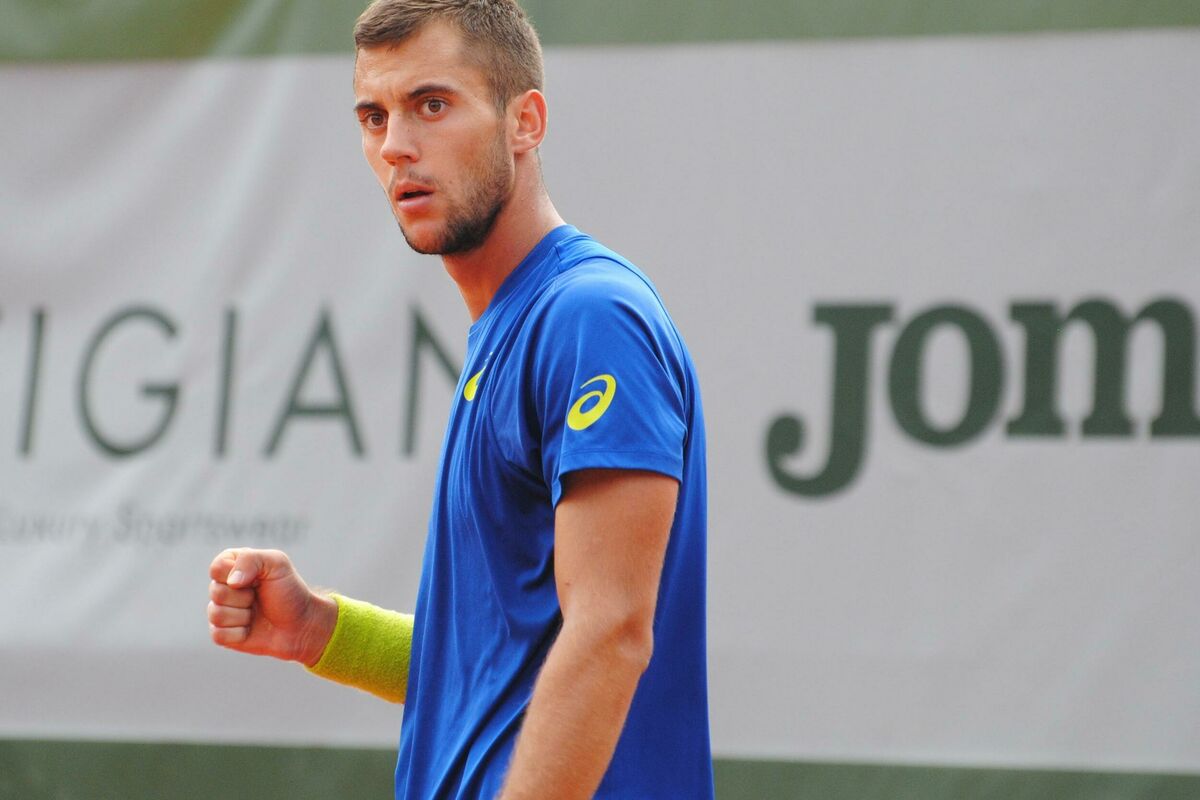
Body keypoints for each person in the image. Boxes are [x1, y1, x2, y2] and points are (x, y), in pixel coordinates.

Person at [206, 1, 712, 797]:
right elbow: (498, 668)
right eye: (374, 116)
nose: (395, 145)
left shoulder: (589, 316)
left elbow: (610, 633)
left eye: (432, 105)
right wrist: (322, 631)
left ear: (525, 122)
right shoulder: (512, 326)